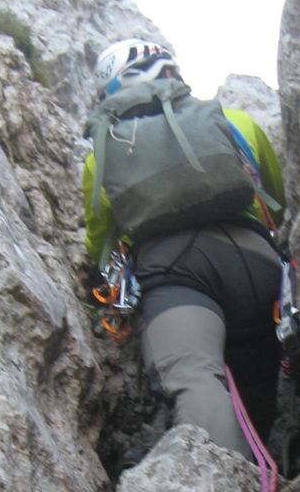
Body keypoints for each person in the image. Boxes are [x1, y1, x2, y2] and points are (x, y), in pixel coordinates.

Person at [82, 39, 286, 461]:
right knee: (255, 385)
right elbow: (278, 200)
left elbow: (100, 240)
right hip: (258, 263)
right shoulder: (234, 122)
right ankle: (268, 479)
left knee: (195, 377)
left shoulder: (106, 150)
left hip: (175, 272)